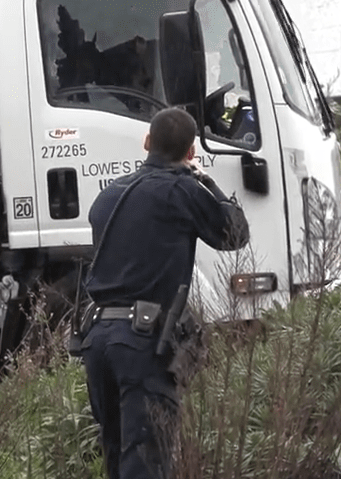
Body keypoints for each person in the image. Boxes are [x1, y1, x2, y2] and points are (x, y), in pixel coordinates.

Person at [79, 107, 251, 479]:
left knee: (116, 458)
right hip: (142, 345)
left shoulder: (109, 196)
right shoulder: (182, 190)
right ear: (190, 153)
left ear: (146, 142)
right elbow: (235, 232)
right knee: (146, 464)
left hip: (98, 342)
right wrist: (206, 181)